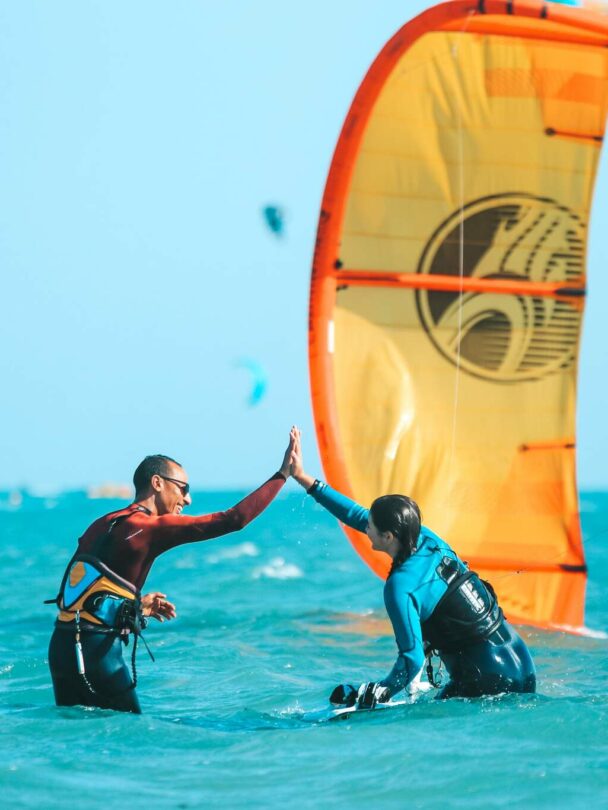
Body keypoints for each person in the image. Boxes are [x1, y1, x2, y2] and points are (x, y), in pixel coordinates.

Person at [47, 429, 297, 713]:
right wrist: (283, 474)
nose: (187, 499)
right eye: (183, 488)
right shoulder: (151, 528)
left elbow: (83, 591)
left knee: (78, 738)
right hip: (98, 654)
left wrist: (136, 607)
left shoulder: (102, 524)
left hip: (61, 649)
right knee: (129, 739)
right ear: (157, 483)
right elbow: (233, 520)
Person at [289, 429, 536, 708]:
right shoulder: (426, 538)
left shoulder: (400, 587)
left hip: (489, 679)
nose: (364, 527)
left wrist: (379, 693)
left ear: (389, 537)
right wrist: (304, 479)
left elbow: (412, 659)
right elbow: (357, 515)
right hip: (522, 664)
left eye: (371, 526)